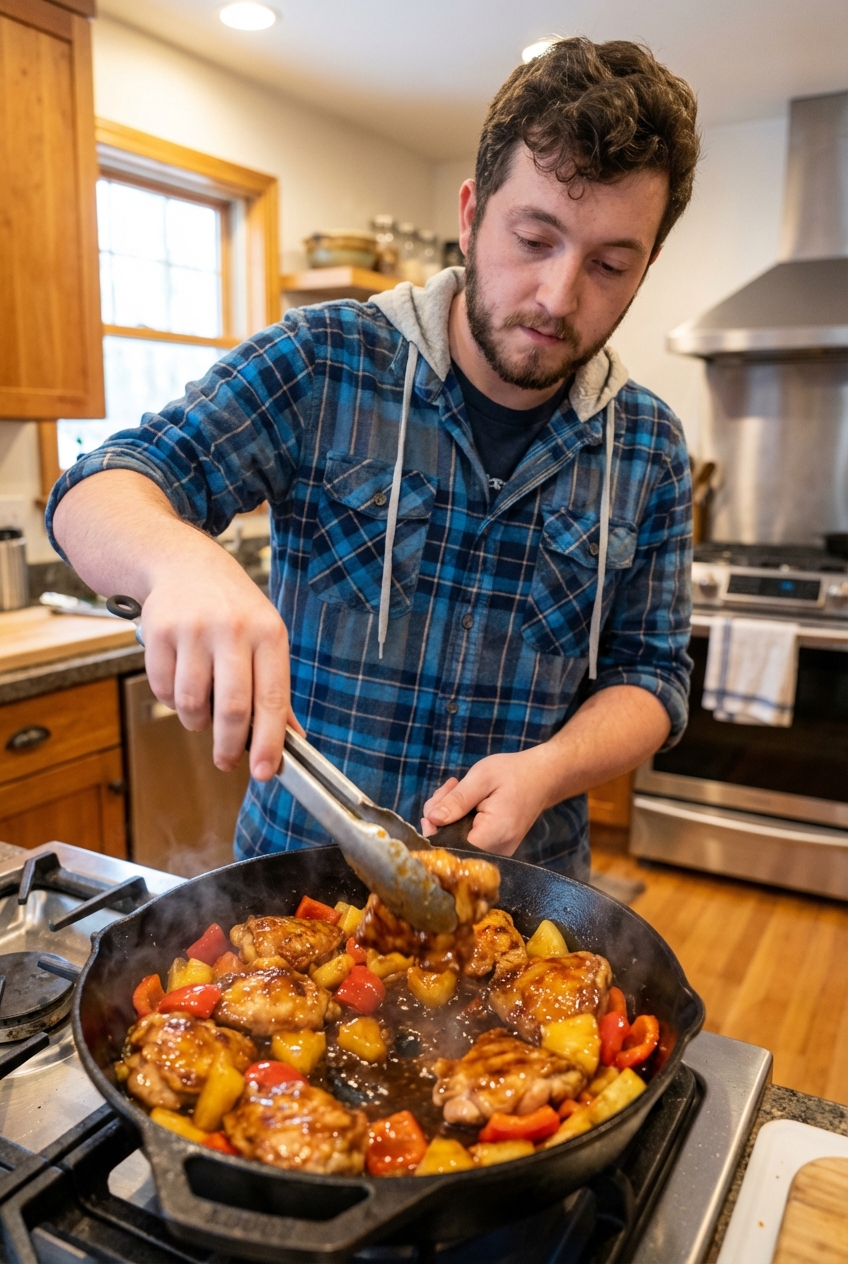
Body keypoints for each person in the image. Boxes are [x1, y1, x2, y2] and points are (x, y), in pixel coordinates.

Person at [48, 38, 699, 882]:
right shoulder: (326, 362)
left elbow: (653, 678)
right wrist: (179, 562)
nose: (559, 296)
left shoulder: (648, 446)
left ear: (645, 269)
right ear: (469, 214)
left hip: (521, 898)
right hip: (298, 891)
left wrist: (551, 771)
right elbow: (94, 491)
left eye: (611, 264)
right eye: (534, 239)